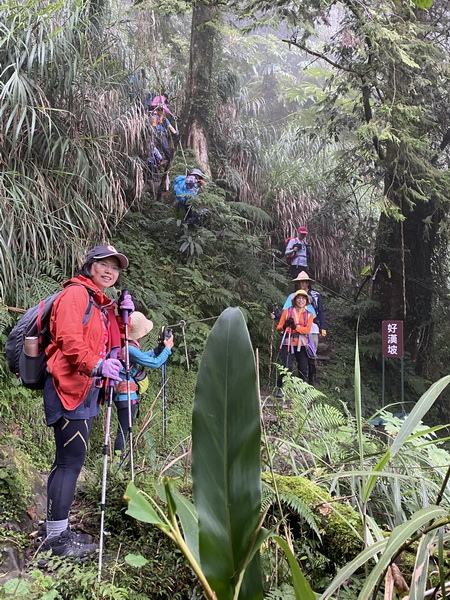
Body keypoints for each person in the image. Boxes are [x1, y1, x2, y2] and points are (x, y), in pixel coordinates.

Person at [37, 244, 134, 562]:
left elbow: (106, 341)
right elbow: (68, 339)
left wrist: (123, 317)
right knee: (70, 463)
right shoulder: (76, 295)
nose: (110, 271)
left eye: (115, 268)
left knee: (68, 461)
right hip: (68, 389)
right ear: (90, 265)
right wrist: (96, 366)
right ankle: (56, 541)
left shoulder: (99, 301)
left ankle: (55, 529)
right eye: (104, 264)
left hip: (83, 390)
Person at [113, 311, 174, 453]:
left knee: (124, 429)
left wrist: (158, 349)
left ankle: (117, 459)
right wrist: (168, 349)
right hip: (126, 395)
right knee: (124, 431)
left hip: (122, 394)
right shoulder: (129, 348)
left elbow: (143, 357)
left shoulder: (125, 344)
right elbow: (155, 363)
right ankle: (117, 461)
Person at [279, 271, 327, 386]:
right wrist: (276, 315)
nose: (302, 284)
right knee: (292, 361)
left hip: (312, 326)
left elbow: (320, 311)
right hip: (293, 331)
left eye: (304, 282)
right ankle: (288, 384)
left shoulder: (315, 296)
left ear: (308, 283)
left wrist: (323, 327)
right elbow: (285, 311)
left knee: (310, 354)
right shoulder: (292, 296)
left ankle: (311, 379)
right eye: (300, 282)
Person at [276, 289, 314, 397]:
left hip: (302, 344)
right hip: (288, 342)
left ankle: (304, 391)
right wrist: (285, 326)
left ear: (306, 301)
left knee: (303, 368)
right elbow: (279, 327)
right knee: (286, 366)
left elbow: (307, 330)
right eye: (299, 298)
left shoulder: (309, 315)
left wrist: (295, 327)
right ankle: (281, 388)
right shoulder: (287, 311)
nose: (301, 300)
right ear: (295, 300)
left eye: (303, 298)